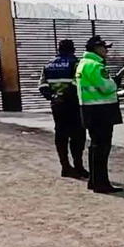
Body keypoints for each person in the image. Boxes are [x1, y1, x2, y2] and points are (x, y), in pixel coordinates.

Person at [76, 35, 123, 194]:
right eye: (104, 47)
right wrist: (115, 82)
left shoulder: (83, 64)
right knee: (102, 148)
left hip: (89, 110)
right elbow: (105, 87)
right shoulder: (96, 66)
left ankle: (94, 181)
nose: (106, 51)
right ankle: (101, 183)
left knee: (95, 147)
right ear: (96, 48)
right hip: (101, 111)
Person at [38, 39, 88, 179]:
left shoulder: (48, 64)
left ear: (58, 49)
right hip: (74, 104)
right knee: (77, 136)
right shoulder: (76, 63)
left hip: (57, 105)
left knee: (61, 135)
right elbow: (76, 82)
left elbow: (42, 85)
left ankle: (65, 167)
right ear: (73, 49)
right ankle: (78, 166)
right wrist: (66, 96)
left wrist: (54, 96)